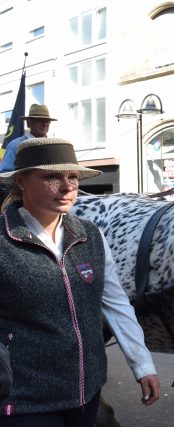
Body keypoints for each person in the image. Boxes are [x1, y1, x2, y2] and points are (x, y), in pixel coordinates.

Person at [0, 138, 160, 426]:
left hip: (87, 395)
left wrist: (143, 366)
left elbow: (116, 304)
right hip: (24, 401)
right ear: (21, 181)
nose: (67, 186)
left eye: (72, 176)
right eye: (51, 176)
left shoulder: (91, 235)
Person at [1, 104, 56, 172]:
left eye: (47, 121)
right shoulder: (15, 145)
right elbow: (5, 174)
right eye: (40, 120)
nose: (45, 124)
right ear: (29, 123)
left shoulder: (54, 146)